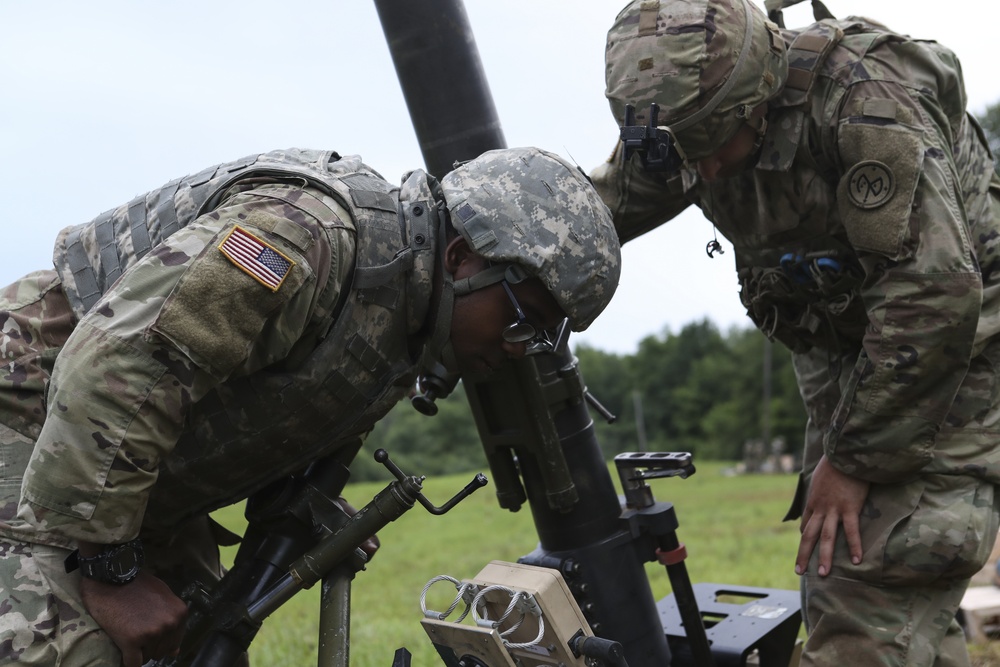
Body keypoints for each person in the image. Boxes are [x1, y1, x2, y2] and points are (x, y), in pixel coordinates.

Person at [0, 145, 621, 666]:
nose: (520, 350)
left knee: (197, 643)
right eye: (523, 322)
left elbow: (269, 403)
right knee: (71, 650)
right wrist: (113, 573)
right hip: (35, 416)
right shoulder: (303, 237)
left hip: (126, 473)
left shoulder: (410, 313)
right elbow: (118, 370)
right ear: (464, 259)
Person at [591, 0, 1000, 664]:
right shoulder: (688, 124)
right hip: (851, 361)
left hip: (953, 357)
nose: (707, 171)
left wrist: (853, 459)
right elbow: (602, 208)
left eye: (714, 142)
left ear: (760, 95)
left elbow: (936, 297)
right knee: (871, 597)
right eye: (681, 151)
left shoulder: (864, 103)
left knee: (869, 600)